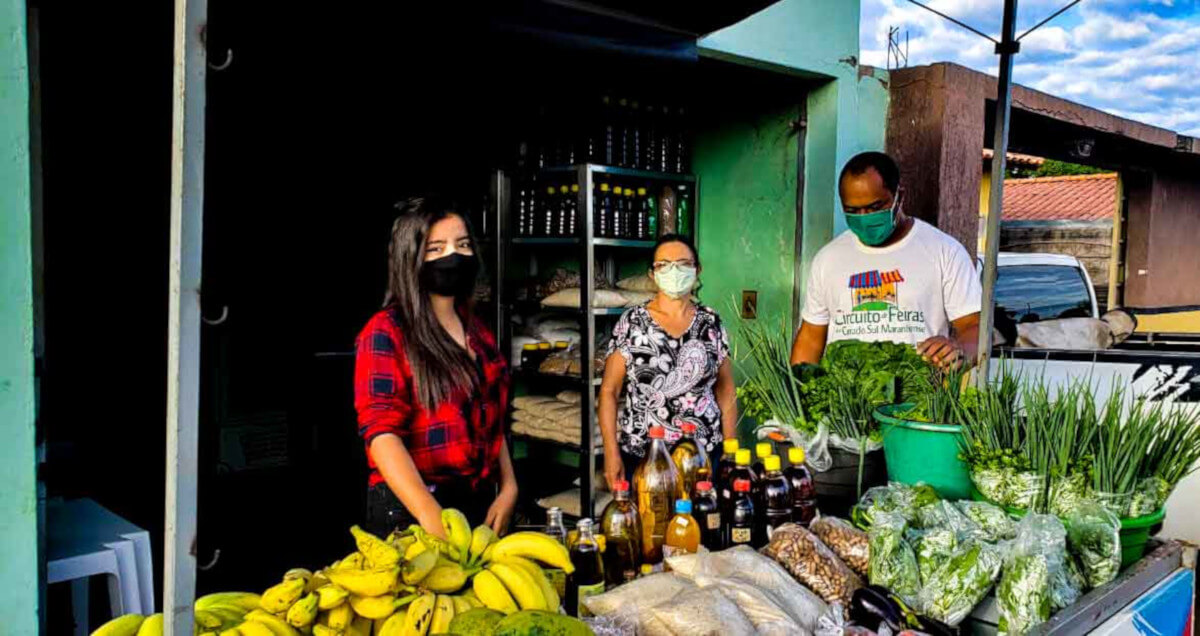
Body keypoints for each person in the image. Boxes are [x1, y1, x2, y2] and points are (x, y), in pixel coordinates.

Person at [354, 196, 516, 539]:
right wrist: (431, 517)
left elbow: (492, 416)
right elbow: (382, 436)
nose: (452, 257)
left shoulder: (478, 331)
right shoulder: (386, 331)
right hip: (411, 507)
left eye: (462, 245)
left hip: (477, 501)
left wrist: (508, 485)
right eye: (435, 249)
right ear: (409, 258)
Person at [791, 151, 982, 369]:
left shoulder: (944, 251)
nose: (864, 217)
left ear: (900, 196)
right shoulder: (828, 259)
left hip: (919, 396)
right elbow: (811, 337)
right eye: (852, 211)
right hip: (845, 399)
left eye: (874, 208)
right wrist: (795, 389)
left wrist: (959, 350)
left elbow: (974, 326)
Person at [599, 234, 738, 491]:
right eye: (664, 265)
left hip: (704, 456)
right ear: (652, 274)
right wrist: (611, 451)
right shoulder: (633, 323)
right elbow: (609, 391)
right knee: (649, 526)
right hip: (646, 456)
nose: (674, 271)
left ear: (697, 270)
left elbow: (726, 389)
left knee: (704, 526)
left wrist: (731, 450)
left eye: (684, 263)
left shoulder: (711, 323)